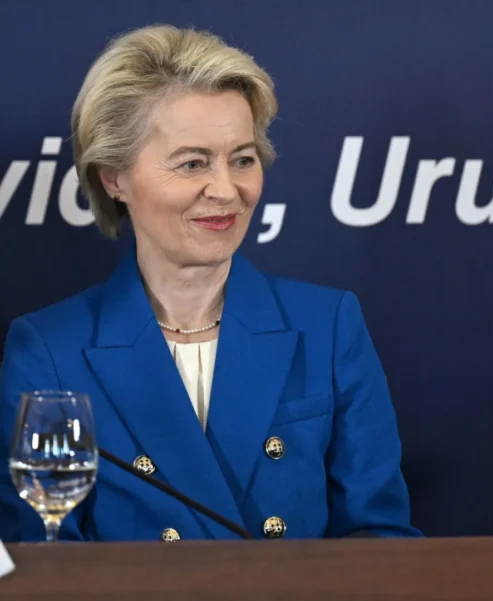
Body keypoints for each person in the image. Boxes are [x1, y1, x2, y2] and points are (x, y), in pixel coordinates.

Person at [0, 25, 420, 542]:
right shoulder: (48, 350)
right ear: (114, 177)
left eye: (242, 160)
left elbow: (382, 544)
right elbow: (44, 559)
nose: (225, 190)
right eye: (192, 163)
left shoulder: (328, 326)